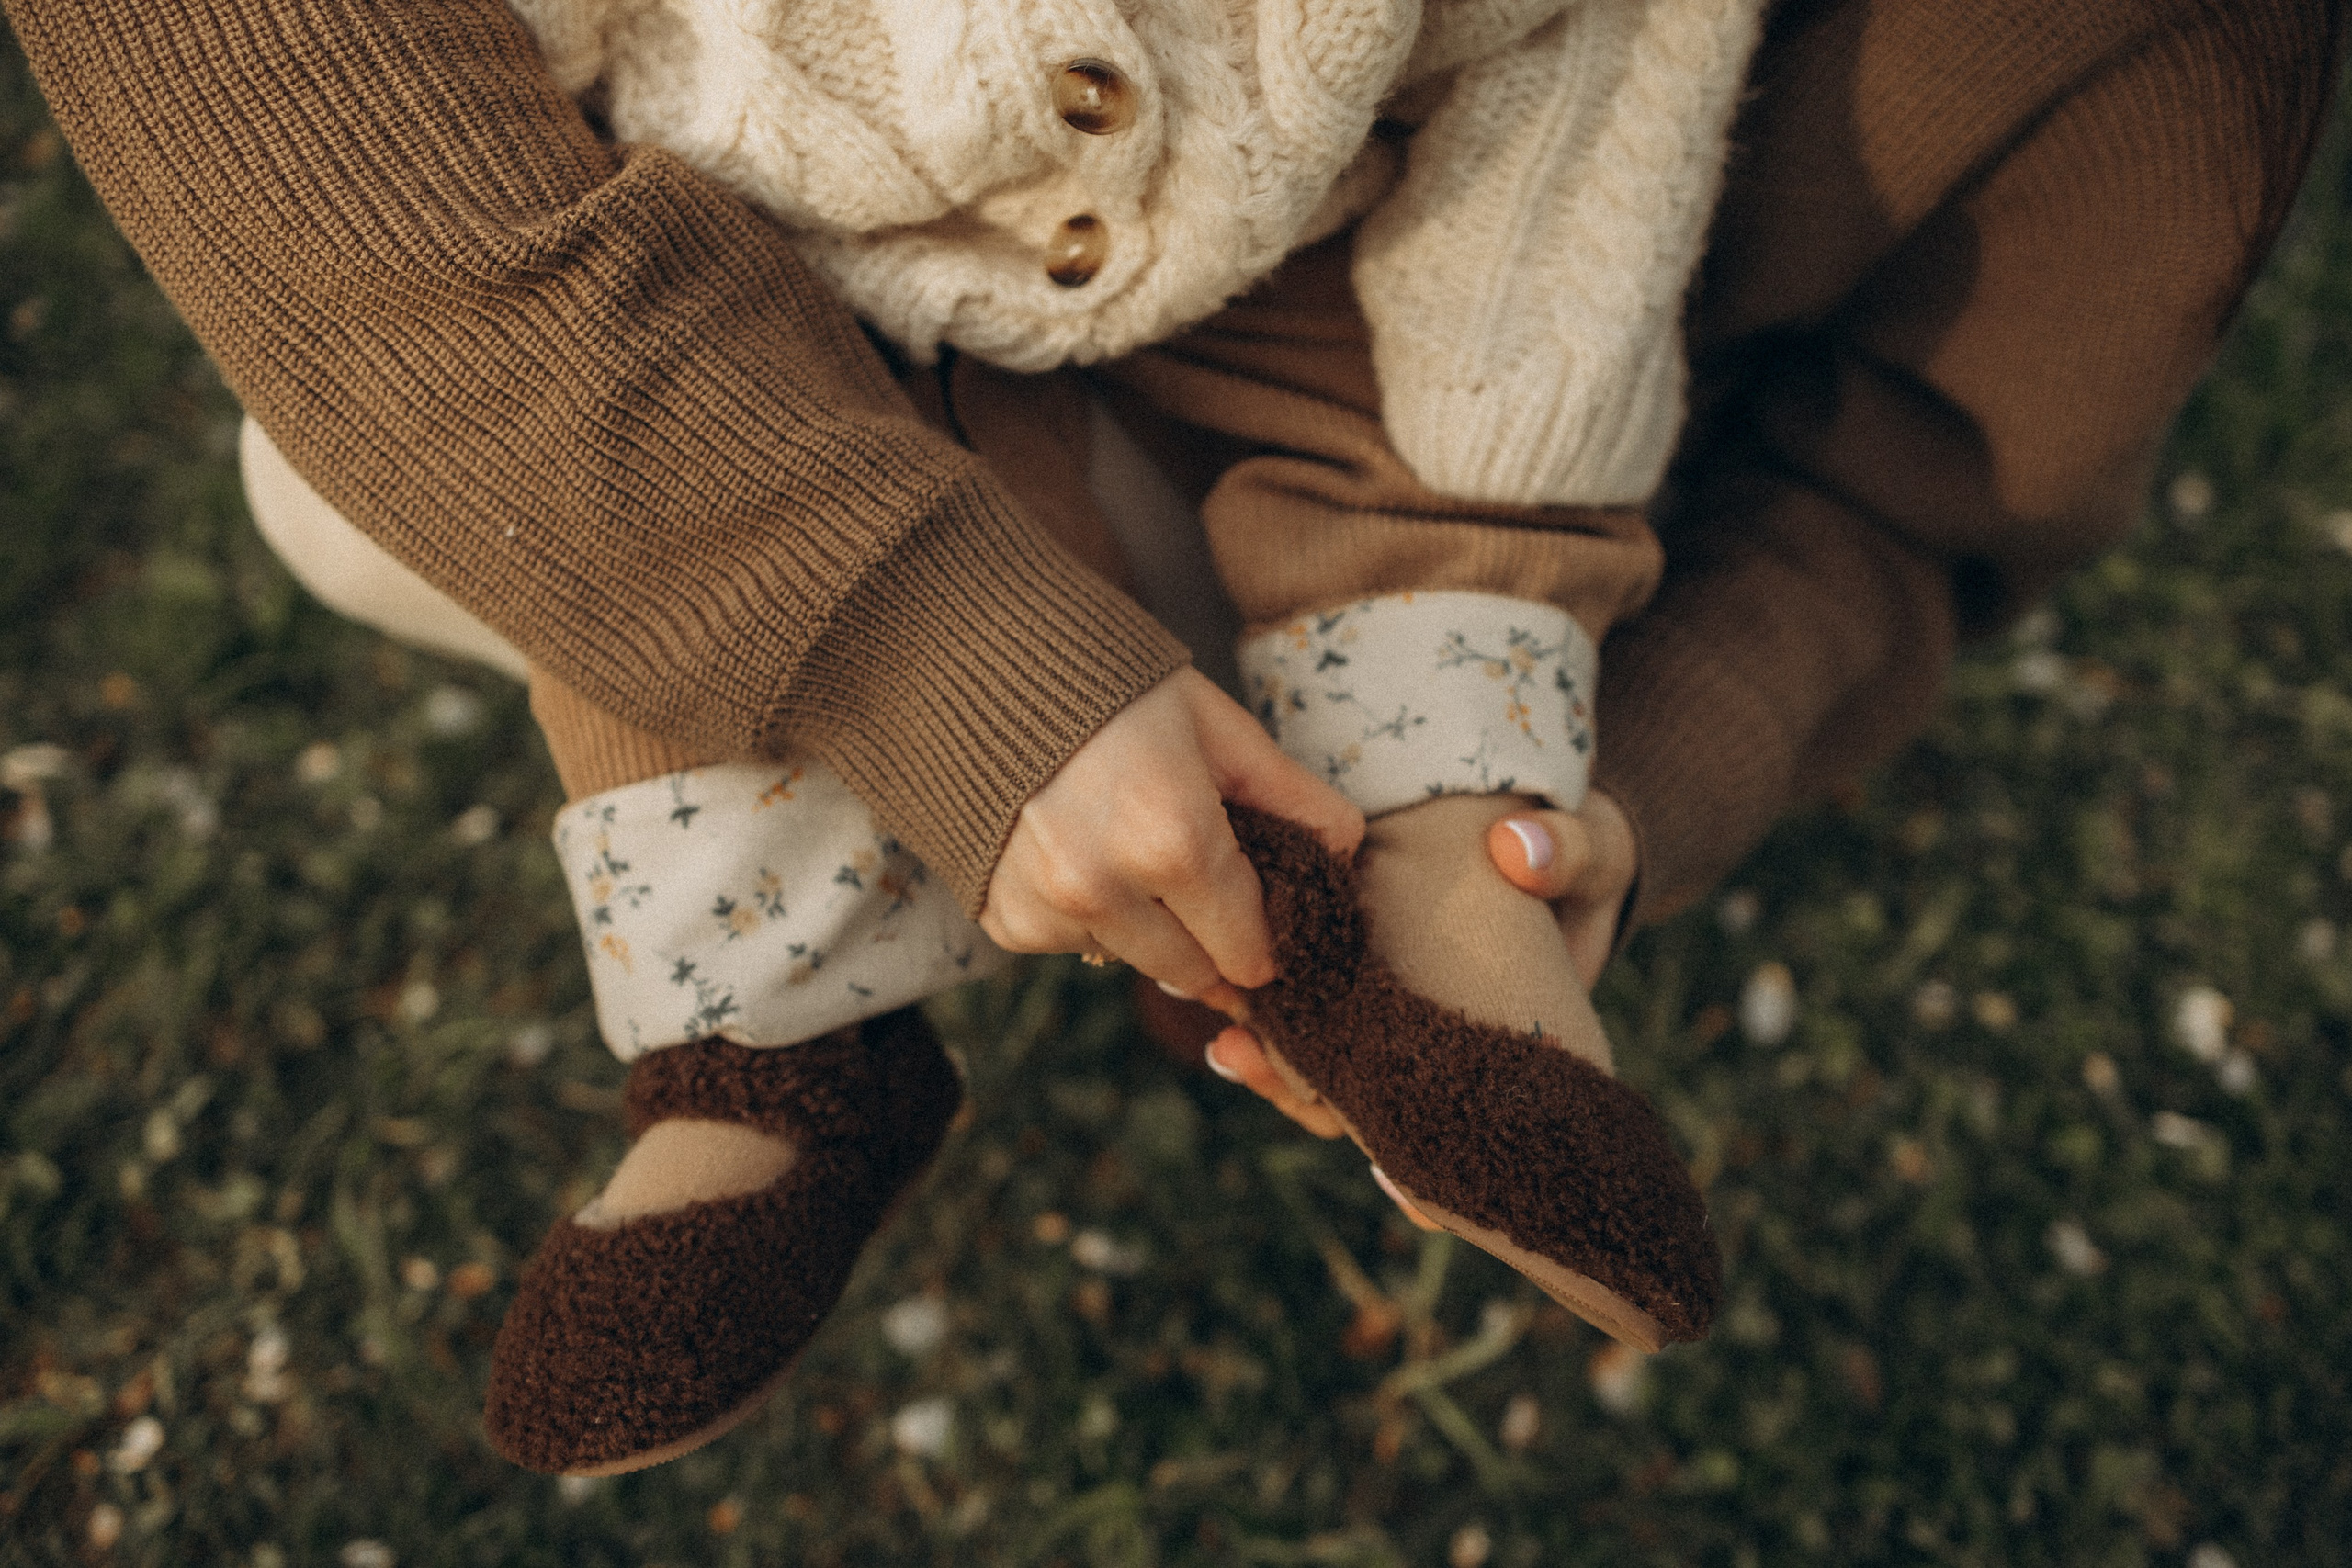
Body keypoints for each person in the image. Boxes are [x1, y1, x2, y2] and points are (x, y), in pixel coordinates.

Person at [10, 0, 2339, 1476]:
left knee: (1488, 392)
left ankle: (1429, 904)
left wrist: (1597, 785)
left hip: (1386, 335)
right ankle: (781, 1055)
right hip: (796, 282)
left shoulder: (2161, 53)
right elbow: (272, 94)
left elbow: (1885, 483)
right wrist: (929, 646)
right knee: (453, 470)